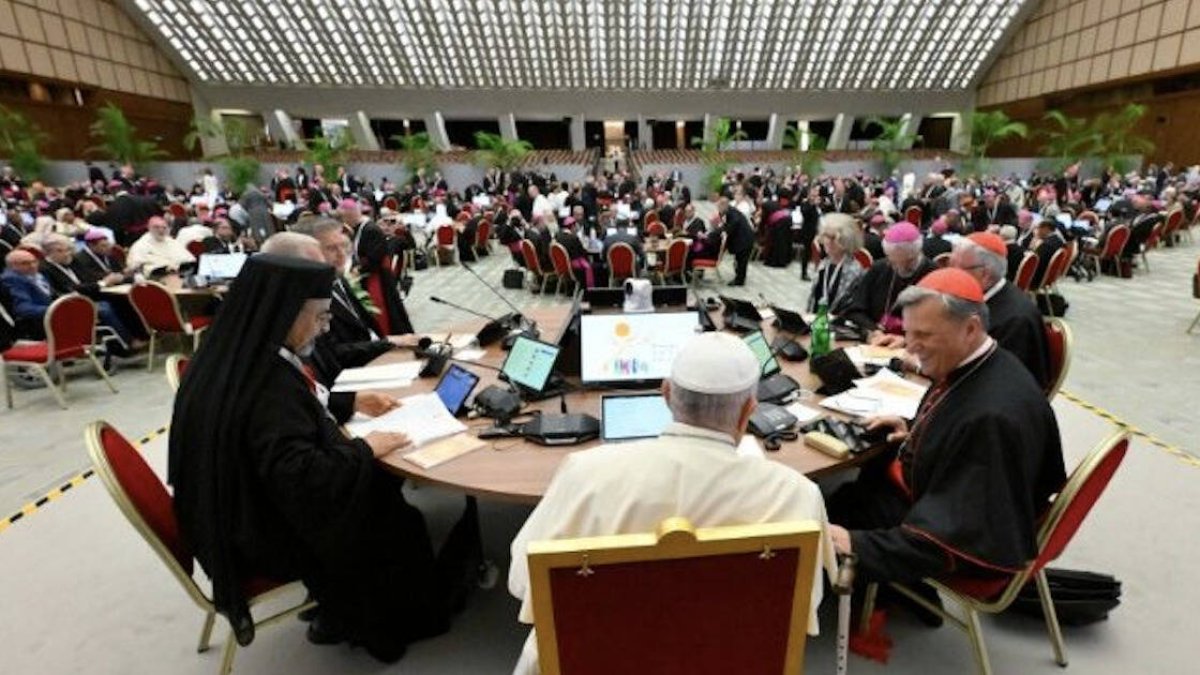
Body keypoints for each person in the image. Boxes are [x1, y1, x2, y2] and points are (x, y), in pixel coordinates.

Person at [169, 254, 456, 664]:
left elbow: (280, 422)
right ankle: (392, 624)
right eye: (320, 318)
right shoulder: (266, 384)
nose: (325, 329)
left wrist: (348, 402)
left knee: (381, 487)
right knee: (393, 512)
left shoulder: (231, 353)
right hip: (264, 534)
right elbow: (303, 477)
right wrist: (365, 449)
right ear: (284, 312)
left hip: (228, 512)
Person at [508, 332, 833, 675]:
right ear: (748, 413)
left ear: (665, 395)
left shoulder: (583, 473)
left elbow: (523, 584)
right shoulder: (798, 495)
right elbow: (801, 614)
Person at [826, 268, 1065, 586]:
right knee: (851, 486)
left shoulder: (991, 420)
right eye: (909, 333)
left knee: (826, 509)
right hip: (934, 491)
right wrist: (916, 430)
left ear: (970, 328)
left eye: (923, 335)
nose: (910, 347)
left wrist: (856, 545)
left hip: (948, 538)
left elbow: (949, 540)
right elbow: (956, 416)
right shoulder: (989, 361)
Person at [844, 221, 935, 337]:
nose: (892, 265)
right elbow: (855, 309)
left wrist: (905, 339)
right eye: (890, 259)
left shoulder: (933, 274)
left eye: (898, 262)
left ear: (913, 256)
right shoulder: (880, 268)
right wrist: (874, 330)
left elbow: (935, 326)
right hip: (874, 343)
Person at [807, 213, 865, 313]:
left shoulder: (854, 271)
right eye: (825, 236)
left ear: (846, 240)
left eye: (833, 238)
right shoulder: (824, 263)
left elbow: (850, 309)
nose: (827, 241)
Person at [1, 249, 55, 338]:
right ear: (11, 266)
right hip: (36, 326)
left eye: (34, 261)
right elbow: (23, 308)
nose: (33, 266)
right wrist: (53, 309)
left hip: (48, 318)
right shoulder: (12, 279)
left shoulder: (35, 274)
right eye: (25, 263)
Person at [126, 216, 195, 276]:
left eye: (164, 228)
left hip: (179, 275)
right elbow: (136, 265)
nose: (161, 230)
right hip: (156, 278)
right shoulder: (141, 244)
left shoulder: (172, 241)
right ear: (149, 228)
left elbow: (189, 259)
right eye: (156, 227)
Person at [714, 197, 754, 285]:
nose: (718, 210)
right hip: (744, 239)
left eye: (719, 207)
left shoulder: (732, 213)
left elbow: (734, 223)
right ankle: (739, 277)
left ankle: (739, 280)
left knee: (742, 261)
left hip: (745, 240)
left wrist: (726, 231)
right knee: (739, 260)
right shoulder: (730, 212)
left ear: (724, 205)